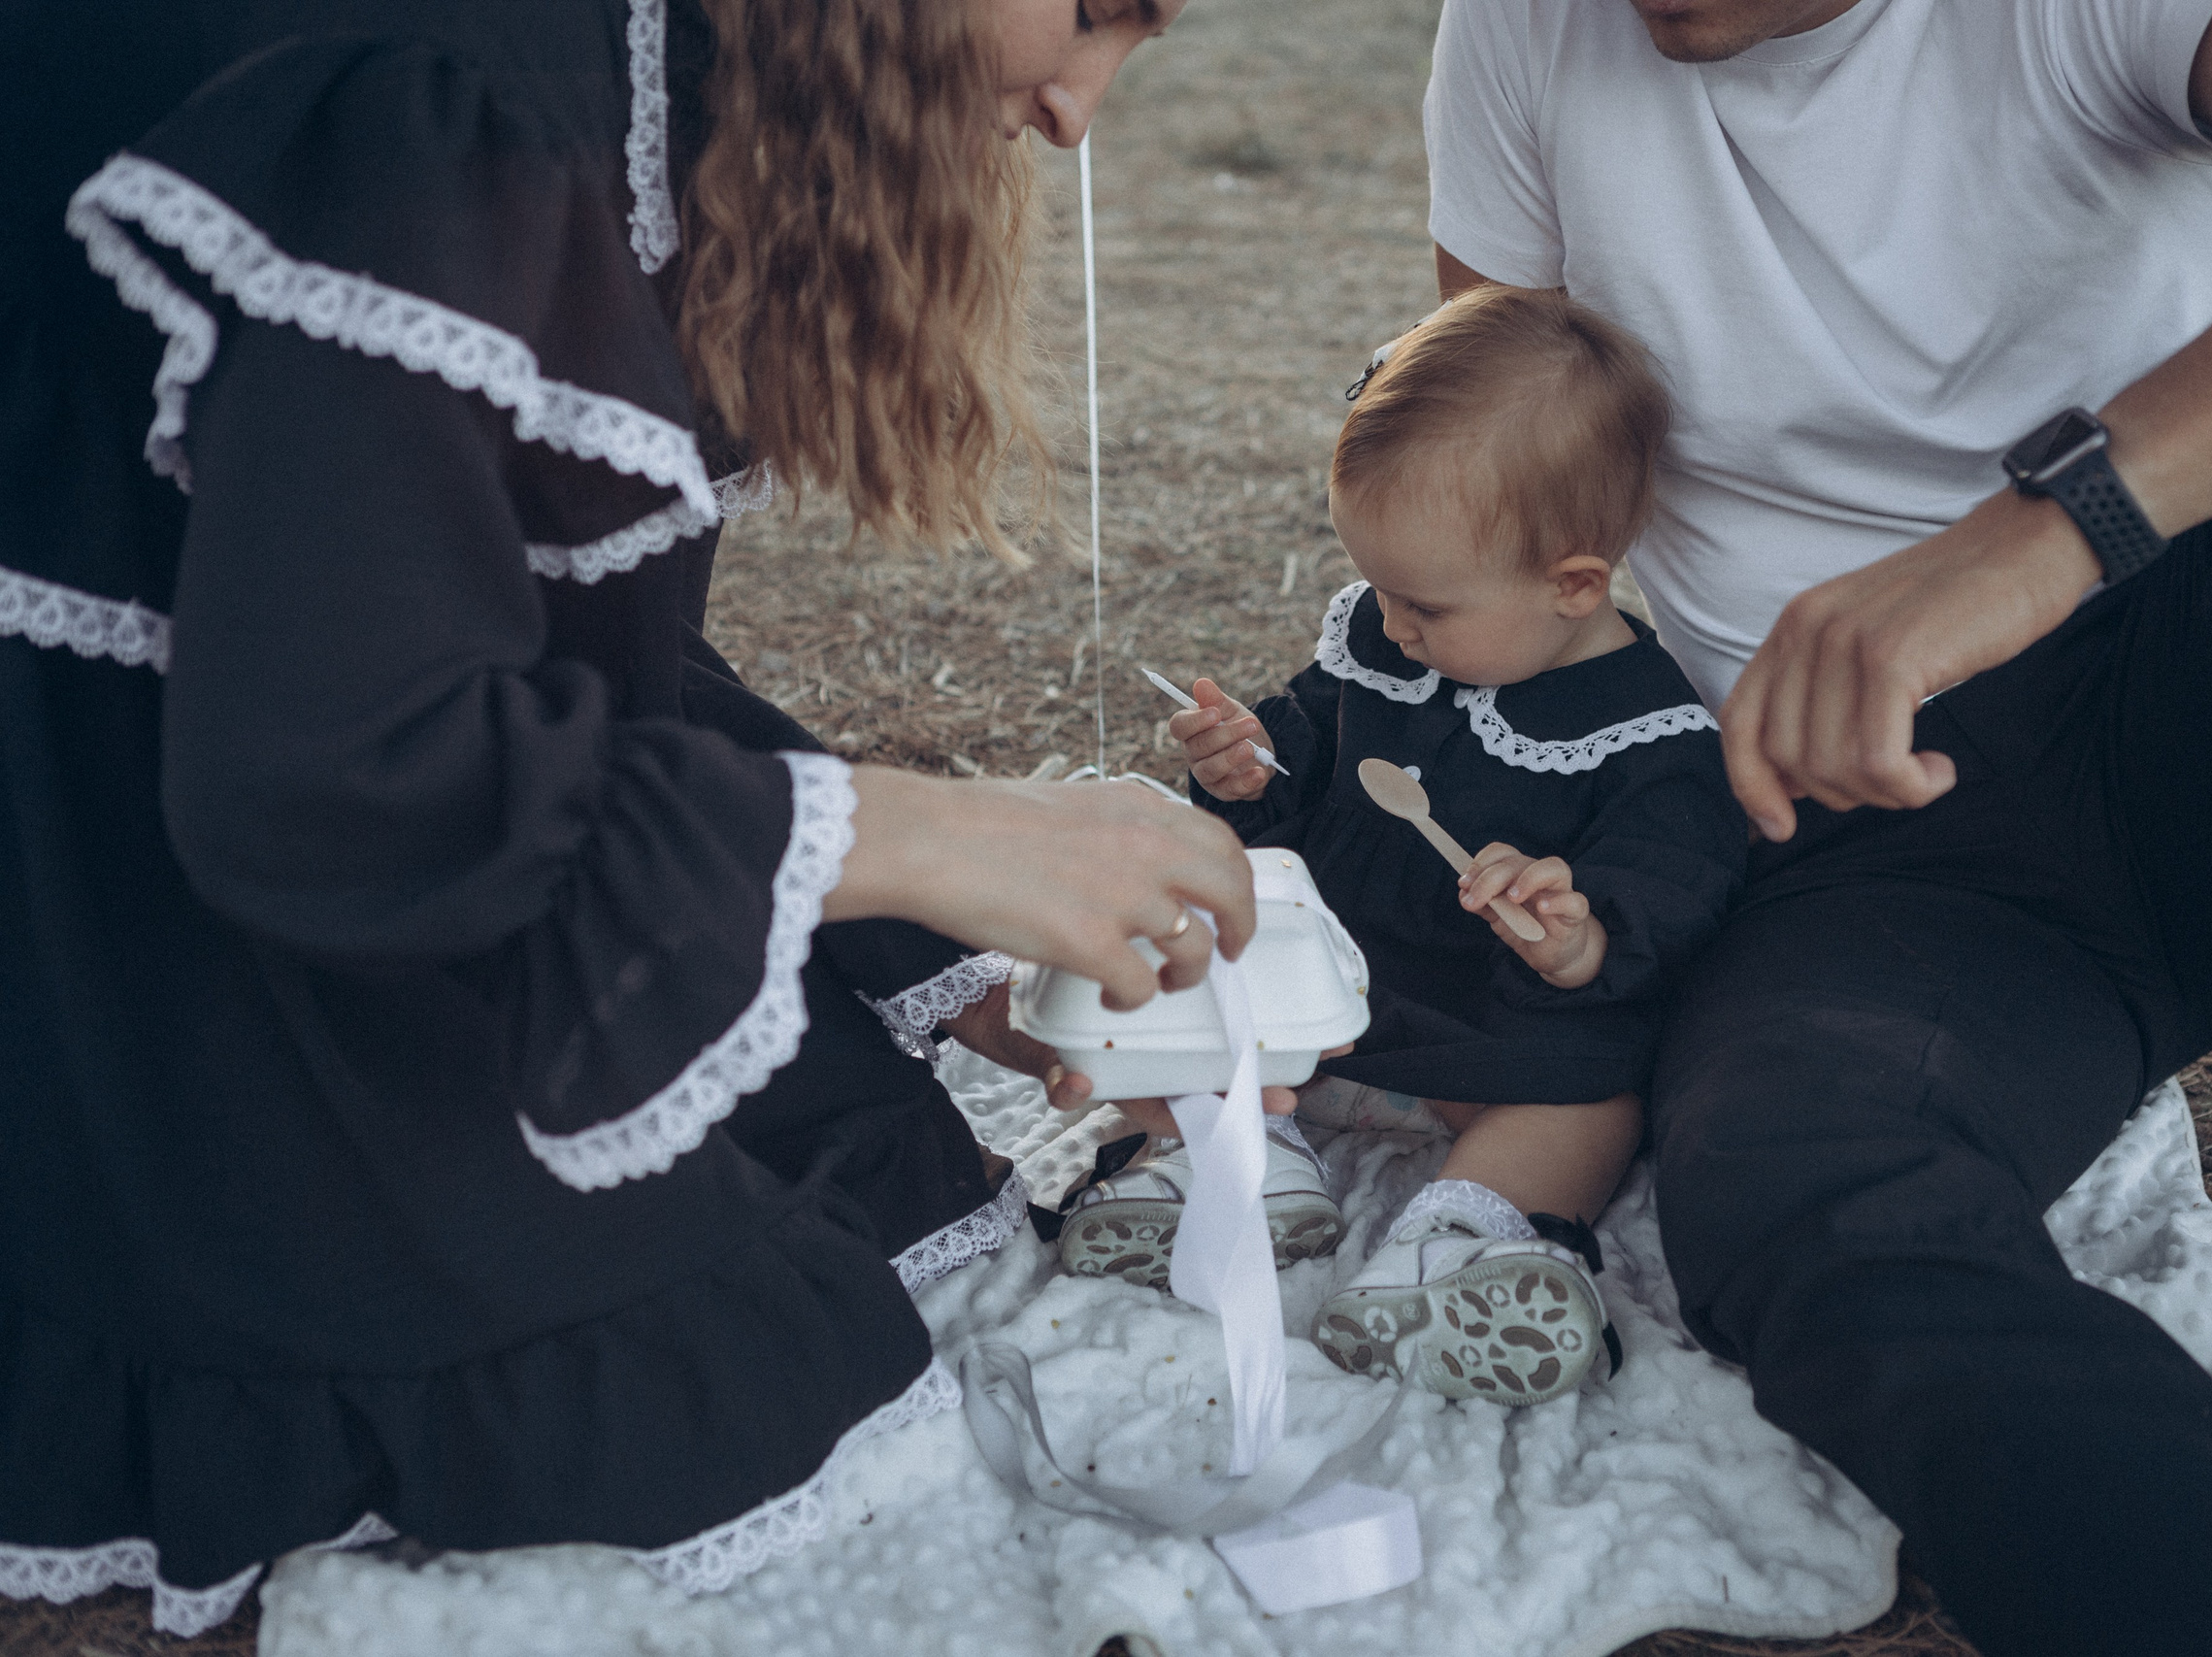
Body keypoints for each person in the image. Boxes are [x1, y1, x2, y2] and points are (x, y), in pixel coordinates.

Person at [0, 0, 1280, 1637]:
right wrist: (930, 837)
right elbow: (325, 773)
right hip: (132, 835)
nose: (1074, 113)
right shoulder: (461, 89)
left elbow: (542, 653)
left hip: (281, 769)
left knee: (859, 1149)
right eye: (1093, 12)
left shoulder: (660, 77)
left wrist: (954, 929)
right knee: (715, 1377)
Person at [1421, 0, 2212, 1651]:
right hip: (1870, 870)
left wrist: (2055, 524)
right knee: (1789, 1181)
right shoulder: (1525, 28)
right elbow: (1499, 479)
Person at [1064, 285, 1744, 1408]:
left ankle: (1457, 1249)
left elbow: (1681, 872)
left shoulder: (1647, 729)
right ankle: (1231, 1170)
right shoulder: (1383, 645)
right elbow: (1306, 762)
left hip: (1493, 1024)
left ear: (1573, 586)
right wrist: (1248, 771)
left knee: (1587, 1099)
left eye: (1422, 602)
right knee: (1197, 997)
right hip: (1326, 989)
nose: (1390, 624)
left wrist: (1584, 931)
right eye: (1374, 587)